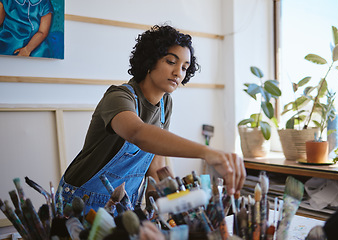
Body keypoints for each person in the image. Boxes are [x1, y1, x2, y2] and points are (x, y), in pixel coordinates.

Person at [56, 24, 246, 214]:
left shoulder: (165, 104)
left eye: (185, 67)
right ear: (149, 60)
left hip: (123, 206)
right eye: (171, 61)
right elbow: (137, 133)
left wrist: (165, 206)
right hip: (81, 202)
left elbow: (156, 167)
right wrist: (207, 152)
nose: (178, 72)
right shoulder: (119, 96)